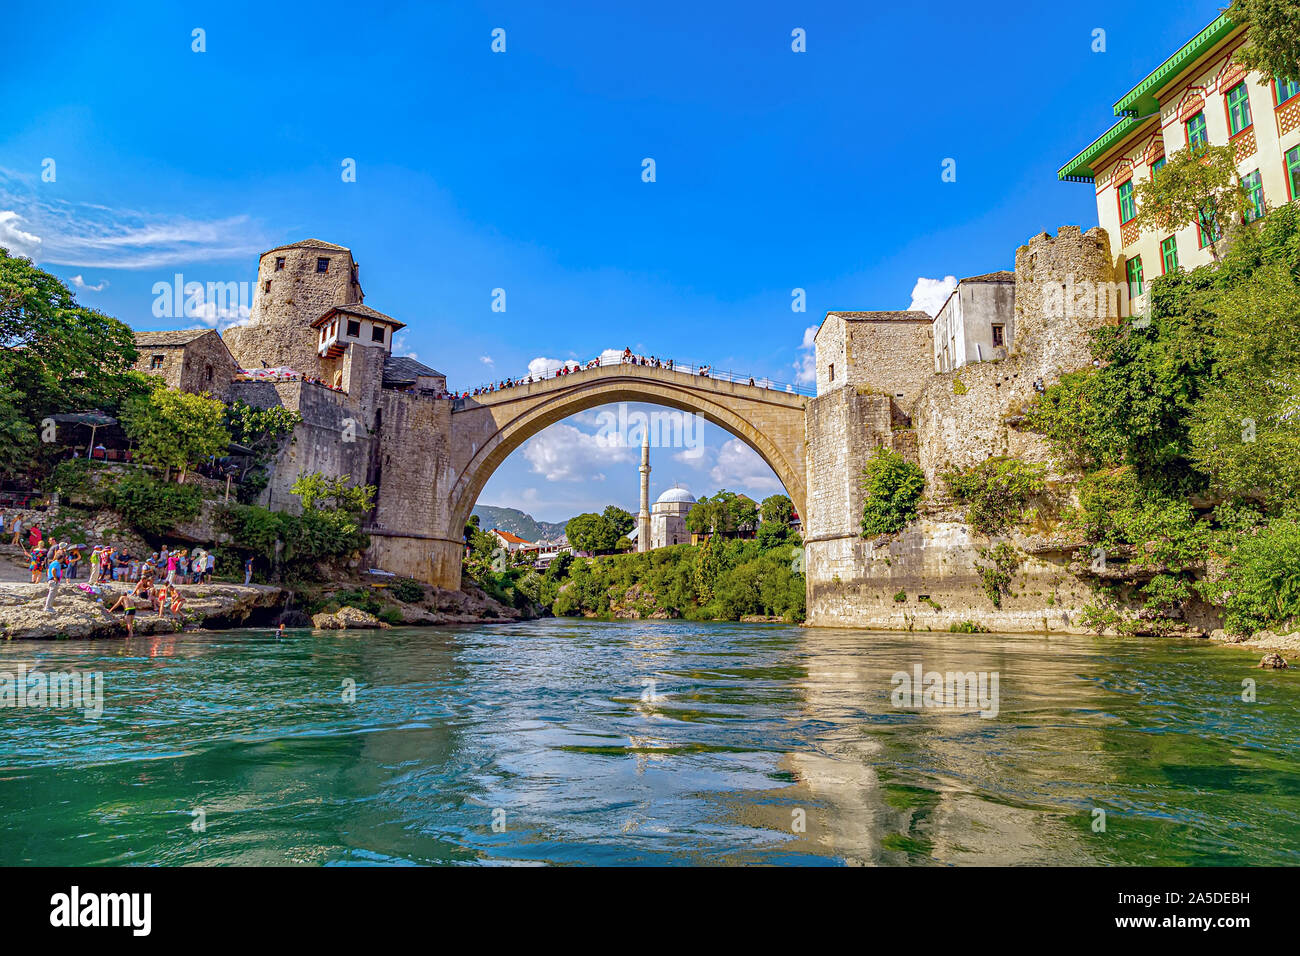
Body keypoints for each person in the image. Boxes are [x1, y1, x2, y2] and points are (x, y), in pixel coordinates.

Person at [44, 548, 64, 613]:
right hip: (53, 580)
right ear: (60, 559)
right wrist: (55, 577)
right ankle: (47, 607)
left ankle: (49, 607)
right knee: (51, 594)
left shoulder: (53, 562)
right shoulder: (56, 563)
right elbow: (53, 570)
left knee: (53, 594)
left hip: (52, 579)